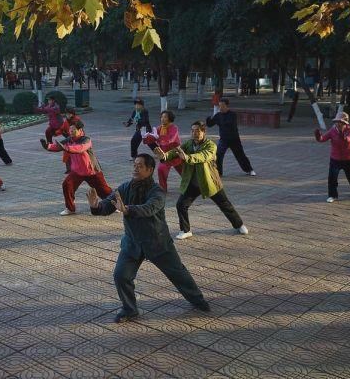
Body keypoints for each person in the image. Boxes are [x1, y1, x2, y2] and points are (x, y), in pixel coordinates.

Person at [87, 153, 210, 323]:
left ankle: (198, 300)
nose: (135, 168)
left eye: (140, 166)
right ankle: (130, 310)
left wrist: (128, 209)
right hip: (133, 243)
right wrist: (96, 206)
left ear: (150, 169)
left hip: (157, 242)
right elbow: (109, 204)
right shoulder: (124, 188)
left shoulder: (157, 191)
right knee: (121, 275)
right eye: (134, 165)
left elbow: (149, 208)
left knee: (178, 273)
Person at [155, 121, 249, 240]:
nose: (195, 133)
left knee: (225, 205)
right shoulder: (189, 144)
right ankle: (185, 230)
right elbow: (176, 151)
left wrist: (187, 157)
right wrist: (164, 156)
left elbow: (203, 156)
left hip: (209, 181)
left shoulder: (211, 146)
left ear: (204, 132)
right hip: (193, 182)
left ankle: (239, 224)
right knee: (181, 205)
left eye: (198, 131)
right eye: (193, 131)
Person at [40, 120, 112, 216]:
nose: (71, 131)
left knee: (104, 190)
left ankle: (114, 205)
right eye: (70, 130)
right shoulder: (69, 139)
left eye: (73, 130)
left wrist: (67, 148)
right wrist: (47, 146)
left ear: (80, 130)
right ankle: (70, 208)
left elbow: (80, 148)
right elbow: (58, 146)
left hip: (92, 171)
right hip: (77, 171)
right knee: (67, 185)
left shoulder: (86, 139)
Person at [315, 112, 350, 203]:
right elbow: (323, 139)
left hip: (349, 158)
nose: (338, 123)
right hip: (335, 159)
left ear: (345, 123)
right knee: (332, 178)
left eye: (340, 122)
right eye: (337, 121)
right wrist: (318, 137)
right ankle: (332, 195)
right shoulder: (332, 131)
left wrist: (344, 137)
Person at [206, 98, 256, 177]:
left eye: (222, 106)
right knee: (218, 155)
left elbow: (228, 124)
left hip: (234, 139)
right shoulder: (218, 115)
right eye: (219, 106)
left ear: (226, 106)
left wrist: (218, 121)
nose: (220, 108)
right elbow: (210, 124)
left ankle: (249, 170)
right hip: (223, 140)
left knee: (240, 155)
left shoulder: (232, 115)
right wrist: (208, 119)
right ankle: (219, 173)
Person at [143, 111, 183, 192]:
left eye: (165, 117)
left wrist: (159, 138)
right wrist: (145, 137)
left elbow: (170, 139)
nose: (163, 119)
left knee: (184, 172)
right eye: (162, 117)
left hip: (175, 154)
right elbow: (152, 139)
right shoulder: (159, 128)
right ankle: (163, 189)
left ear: (170, 118)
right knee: (161, 169)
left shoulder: (174, 128)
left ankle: (192, 185)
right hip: (164, 155)